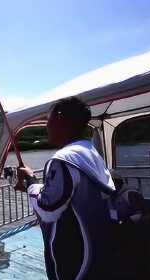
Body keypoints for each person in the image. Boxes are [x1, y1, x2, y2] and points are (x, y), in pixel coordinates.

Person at [18, 97, 117, 279]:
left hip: (74, 259)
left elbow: (48, 210)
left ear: (60, 119)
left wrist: (30, 181)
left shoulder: (62, 160)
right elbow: (70, 193)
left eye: (48, 120)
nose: (46, 127)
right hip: (98, 250)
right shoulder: (90, 151)